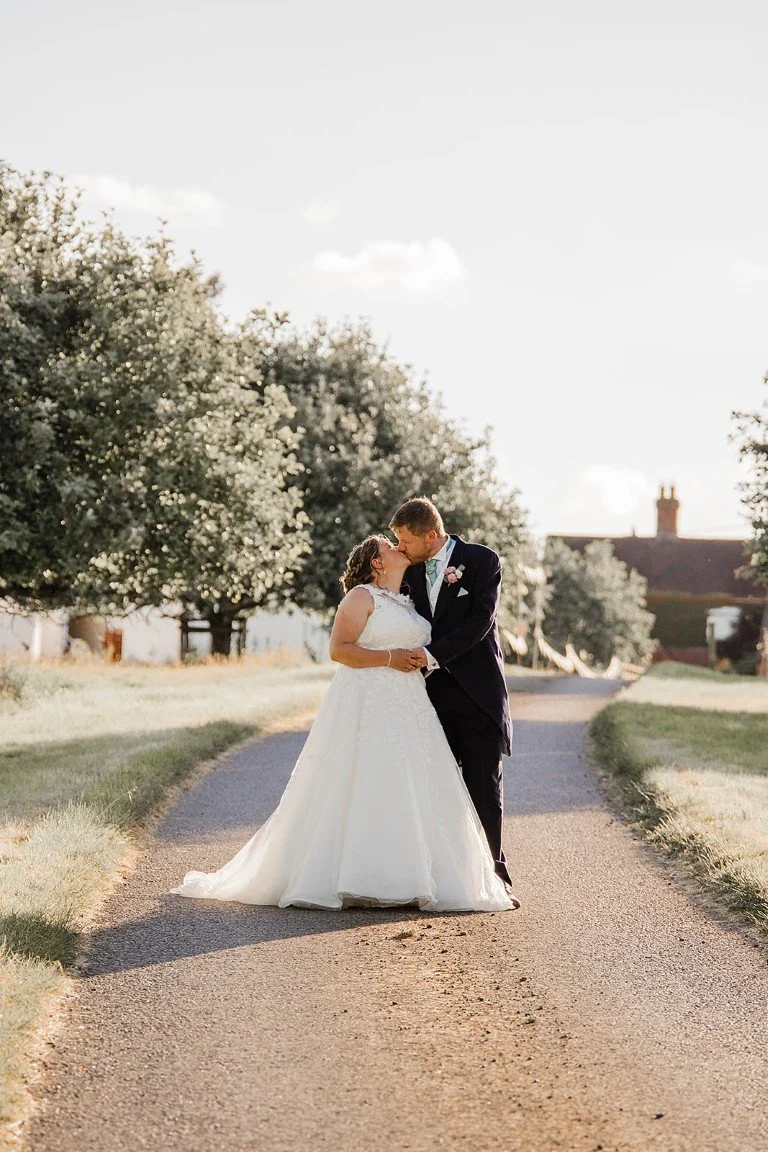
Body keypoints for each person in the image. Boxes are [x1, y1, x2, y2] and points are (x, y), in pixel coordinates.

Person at [170, 533, 517, 912]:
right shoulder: (360, 597)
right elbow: (339, 650)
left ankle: (416, 872)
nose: (399, 547)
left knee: (410, 784)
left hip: (410, 703)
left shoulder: (407, 595)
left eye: (400, 540)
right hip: (369, 698)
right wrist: (390, 658)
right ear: (377, 563)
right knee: (362, 780)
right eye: (390, 545)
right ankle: (354, 874)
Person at [389, 498, 516, 898]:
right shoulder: (405, 570)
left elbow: (481, 622)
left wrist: (430, 655)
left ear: (431, 535)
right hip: (428, 700)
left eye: (406, 540)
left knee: (483, 788)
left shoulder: (482, 561)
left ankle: (493, 876)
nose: (400, 548)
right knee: (433, 788)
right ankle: (438, 876)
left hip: (478, 696)